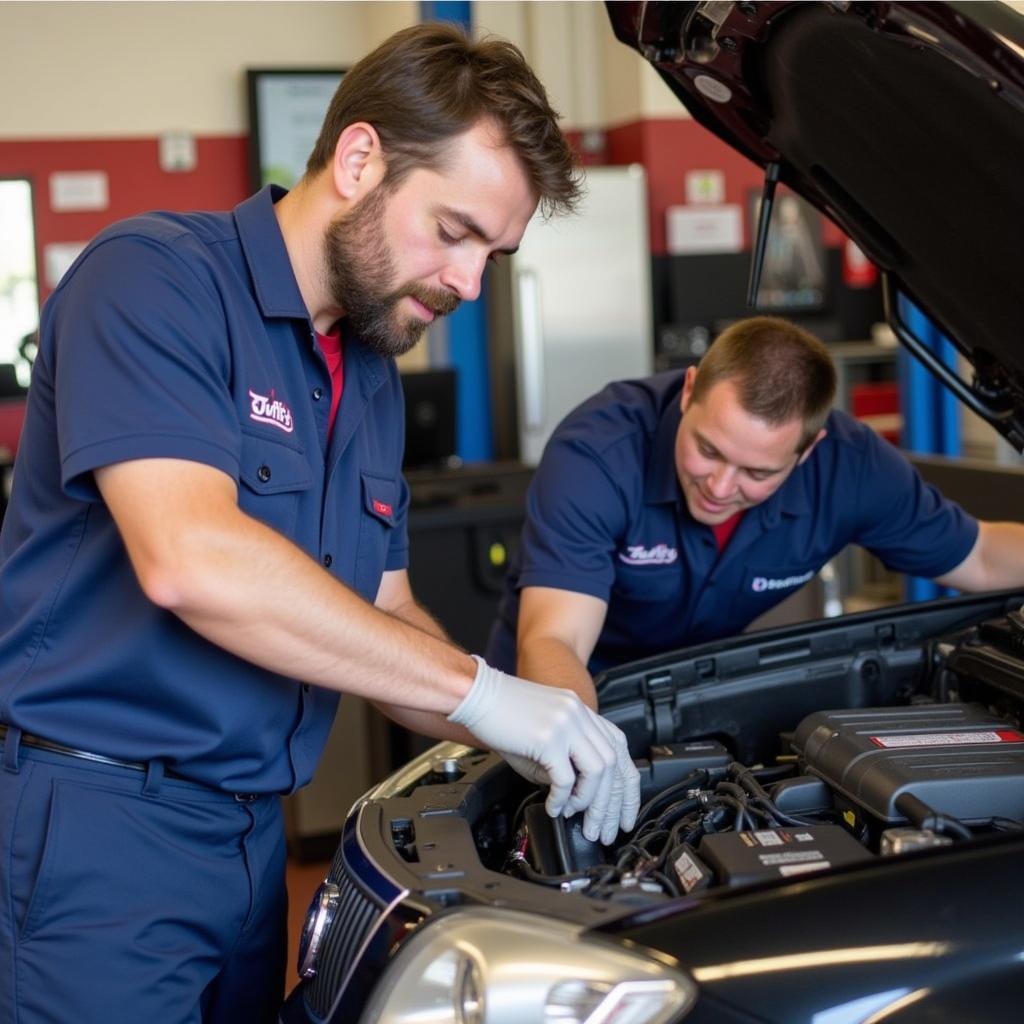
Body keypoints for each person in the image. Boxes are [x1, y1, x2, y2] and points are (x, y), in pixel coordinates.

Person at [0, 24, 639, 1024]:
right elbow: (191, 558)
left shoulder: (372, 374)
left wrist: (532, 737)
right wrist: (483, 694)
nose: (470, 284)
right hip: (98, 830)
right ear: (358, 160)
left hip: (254, 841)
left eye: (495, 254)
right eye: (456, 231)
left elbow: (386, 609)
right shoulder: (154, 281)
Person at [486, 315, 1024, 707]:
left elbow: (978, 556)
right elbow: (554, 641)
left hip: (700, 695)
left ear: (808, 450)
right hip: (561, 693)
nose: (720, 487)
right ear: (690, 389)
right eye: (709, 450)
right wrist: (577, 746)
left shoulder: (850, 467)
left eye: (758, 473)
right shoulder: (599, 454)